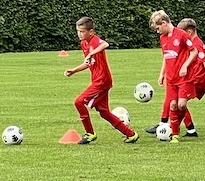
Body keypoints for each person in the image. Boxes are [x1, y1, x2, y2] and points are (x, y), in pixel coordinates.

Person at [64, 16, 139, 145]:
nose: (79, 34)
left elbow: (105, 44)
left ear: (91, 32)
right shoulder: (84, 43)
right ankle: (131, 134)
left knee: (79, 102)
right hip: (98, 80)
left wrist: (91, 53)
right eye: (78, 31)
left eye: (82, 31)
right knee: (104, 112)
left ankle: (90, 133)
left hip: (102, 80)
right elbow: (89, 62)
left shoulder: (95, 40)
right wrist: (74, 70)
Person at [175, 17, 205, 137]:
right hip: (195, 78)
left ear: (189, 32)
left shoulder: (197, 44)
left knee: (178, 101)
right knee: (178, 101)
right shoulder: (194, 43)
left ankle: (171, 127)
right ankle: (187, 129)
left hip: (197, 79)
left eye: (181, 34)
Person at [146, 10, 188, 136]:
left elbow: (193, 51)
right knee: (173, 104)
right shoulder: (162, 38)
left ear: (164, 23)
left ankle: (175, 126)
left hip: (183, 77)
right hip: (170, 78)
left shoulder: (181, 34)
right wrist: (162, 73)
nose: (157, 31)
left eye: (158, 28)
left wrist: (185, 66)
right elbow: (166, 56)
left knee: (181, 104)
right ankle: (173, 130)